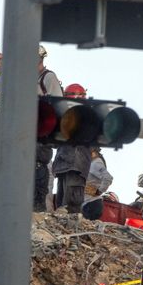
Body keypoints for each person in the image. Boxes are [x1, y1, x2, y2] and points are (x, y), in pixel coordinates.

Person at [52, 83, 93, 213]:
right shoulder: (66, 115)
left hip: (75, 165)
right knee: (60, 206)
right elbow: (54, 142)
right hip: (63, 164)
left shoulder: (86, 116)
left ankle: (70, 229)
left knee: (71, 206)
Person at [35, 45, 58, 211]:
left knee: (38, 173)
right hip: (27, 133)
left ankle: (38, 212)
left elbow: (58, 106)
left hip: (42, 135)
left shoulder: (48, 78)